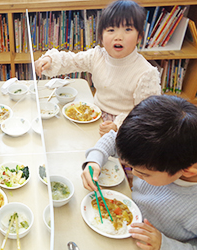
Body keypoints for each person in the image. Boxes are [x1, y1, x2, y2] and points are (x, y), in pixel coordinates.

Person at [81, 95, 197, 250]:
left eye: (144, 174)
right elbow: (112, 139)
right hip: (126, 219)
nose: (134, 174)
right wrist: (94, 161)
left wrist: (164, 244)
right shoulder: (159, 151)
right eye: (132, 167)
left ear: (189, 170)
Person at [34, 0, 161, 136]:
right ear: (101, 36)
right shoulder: (97, 56)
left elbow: (146, 114)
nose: (118, 37)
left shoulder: (146, 73)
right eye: (111, 30)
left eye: (128, 30)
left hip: (126, 128)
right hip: (95, 117)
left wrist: (118, 125)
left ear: (139, 37)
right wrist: (50, 60)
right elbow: (72, 60)